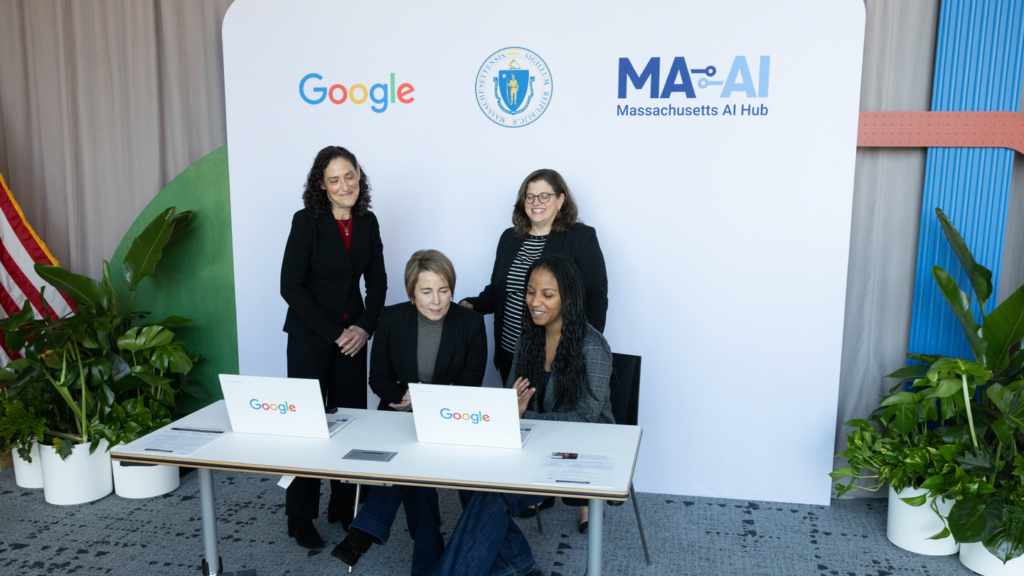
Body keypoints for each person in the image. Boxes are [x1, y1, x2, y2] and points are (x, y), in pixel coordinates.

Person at [434, 254, 614, 576]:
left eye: (547, 294)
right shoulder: (528, 338)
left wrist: (523, 417)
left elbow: (586, 420)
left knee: (493, 495)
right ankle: (519, 566)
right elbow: (511, 401)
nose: (535, 301)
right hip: (532, 446)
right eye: (530, 292)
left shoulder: (592, 346)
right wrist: (512, 412)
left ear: (568, 298)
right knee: (472, 480)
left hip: (580, 454)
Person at [459, 168, 608, 526]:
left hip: (564, 347)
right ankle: (536, 491)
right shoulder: (510, 238)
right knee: (527, 415)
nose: (536, 202)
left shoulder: (580, 237)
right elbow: (499, 289)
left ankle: (584, 500)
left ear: (561, 199)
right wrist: (473, 305)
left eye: (544, 195)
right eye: (529, 195)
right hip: (517, 345)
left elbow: (594, 295)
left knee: (565, 416)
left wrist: (577, 345)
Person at [331, 250, 487, 575]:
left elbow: (470, 385)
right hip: (399, 416)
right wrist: (401, 396)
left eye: (444, 290)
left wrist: (421, 399)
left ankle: (365, 532)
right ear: (412, 292)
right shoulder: (391, 318)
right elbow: (378, 378)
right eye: (426, 291)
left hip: (449, 420)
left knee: (409, 466)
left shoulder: (470, 323)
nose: (437, 301)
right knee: (415, 473)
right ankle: (428, 562)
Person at [280, 145, 387, 550]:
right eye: (334, 180)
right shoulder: (306, 221)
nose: (344, 186)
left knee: (349, 424)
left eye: (349, 176)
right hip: (310, 336)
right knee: (307, 429)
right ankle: (300, 516)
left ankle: (344, 506)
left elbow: (377, 282)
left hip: (353, 339)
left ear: (359, 173)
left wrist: (364, 328)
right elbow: (291, 287)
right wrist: (336, 332)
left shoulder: (368, 222)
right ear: (321, 185)